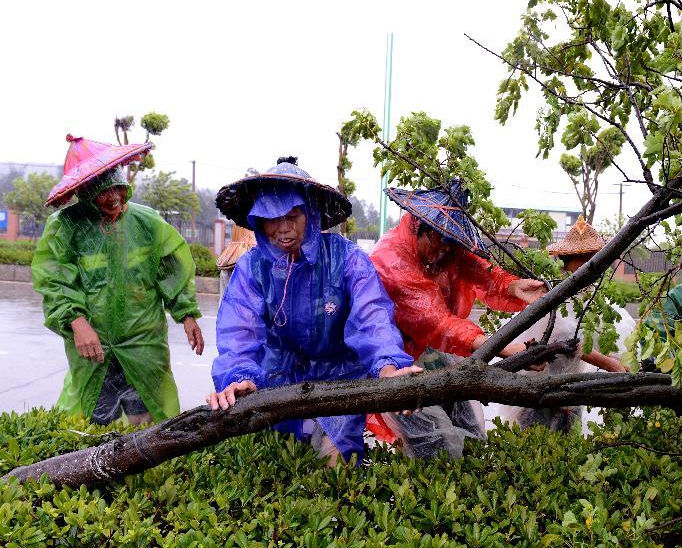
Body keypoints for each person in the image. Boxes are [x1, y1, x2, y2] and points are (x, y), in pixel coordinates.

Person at [208, 157, 418, 466]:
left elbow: (372, 317)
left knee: (339, 460)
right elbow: (239, 329)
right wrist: (239, 375)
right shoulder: (252, 268)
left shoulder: (347, 258)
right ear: (258, 222)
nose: (283, 229)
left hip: (340, 374)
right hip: (278, 374)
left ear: (310, 214)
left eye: (293, 216)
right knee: (280, 461)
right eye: (272, 218)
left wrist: (388, 368)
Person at [32, 134, 204, 426]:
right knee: (97, 419)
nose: (114, 197)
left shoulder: (147, 223)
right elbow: (54, 279)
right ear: (85, 192)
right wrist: (76, 321)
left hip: (144, 342)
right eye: (103, 192)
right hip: (93, 344)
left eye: (118, 188)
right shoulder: (65, 227)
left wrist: (186, 314)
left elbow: (171, 268)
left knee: (147, 421)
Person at [368, 180, 546, 458]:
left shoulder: (445, 249)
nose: (446, 251)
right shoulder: (392, 259)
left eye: (452, 244)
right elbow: (437, 322)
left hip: (435, 356)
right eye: (440, 241)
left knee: (471, 435)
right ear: (421, 228)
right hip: (397, 362)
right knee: (433, 444)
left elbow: (479, 271)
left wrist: (512, 286)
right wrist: (505, 349)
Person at [502, 216, 635, 432]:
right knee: (537, 453)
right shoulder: (552, 293)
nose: (590, 265)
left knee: (569, 454)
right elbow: (568, 341)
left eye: (594, 258)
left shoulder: (590, 294)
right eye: (583, 259)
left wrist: (624, 359)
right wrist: (611, 365)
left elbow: (617, 329)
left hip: (570, 393)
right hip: (537, 392)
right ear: (568, 260)